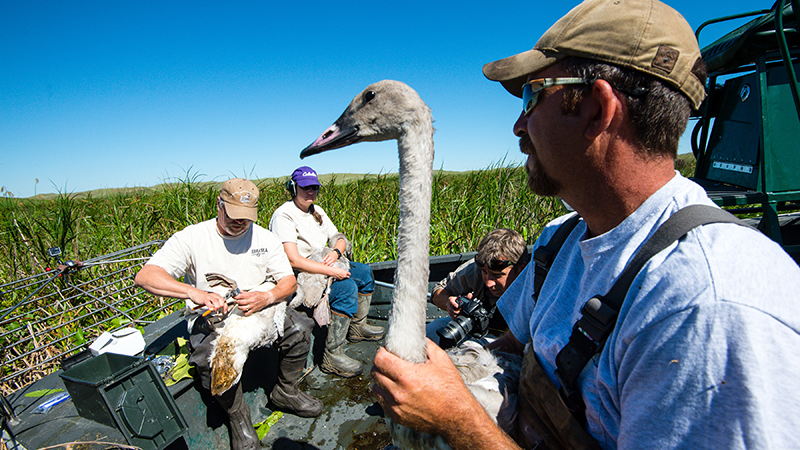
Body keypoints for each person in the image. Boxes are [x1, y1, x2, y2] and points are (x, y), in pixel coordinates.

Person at [370, 0, 800, 449]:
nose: (518, 126)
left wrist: (459, 418)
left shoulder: (707, 310)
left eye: (531, 96)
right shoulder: (561, 239)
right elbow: (516, 349)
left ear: (597, 107)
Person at [135, 178, 323, 450]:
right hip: (213, 317)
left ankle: (286, 391)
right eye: (234, 216)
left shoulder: (265, 239)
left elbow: (288, 283)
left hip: (260, 309)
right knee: (213, 361)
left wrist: (266, 297)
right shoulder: (192, 237)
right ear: (219, 205)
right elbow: (147, 276)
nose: (240, 223)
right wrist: (194, 293)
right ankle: (238, 417)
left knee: (300, 327)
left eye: (246, 218)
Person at [269, 166, 385, 378]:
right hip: (303, 273)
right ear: (293, 188)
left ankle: (357, 327)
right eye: (305, 188)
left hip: (326, 262)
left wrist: (336, 252)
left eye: (314, 188)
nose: (311, 192)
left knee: (364, 272)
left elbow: (338, 237)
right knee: (346, 287)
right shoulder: (283, 216)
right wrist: (331, 271)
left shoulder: (317, 211)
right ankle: (332, 356)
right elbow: (293, 260)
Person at [426, 228, 527, 346]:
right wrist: (449, 303)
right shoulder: (476, 269)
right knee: (428, 333)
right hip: (475, 329)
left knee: (470, 349)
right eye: (484, 272)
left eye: (497, 276)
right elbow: (438, 292)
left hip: (517, 340)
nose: (489, 282)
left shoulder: (536, 287)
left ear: (521, 269)